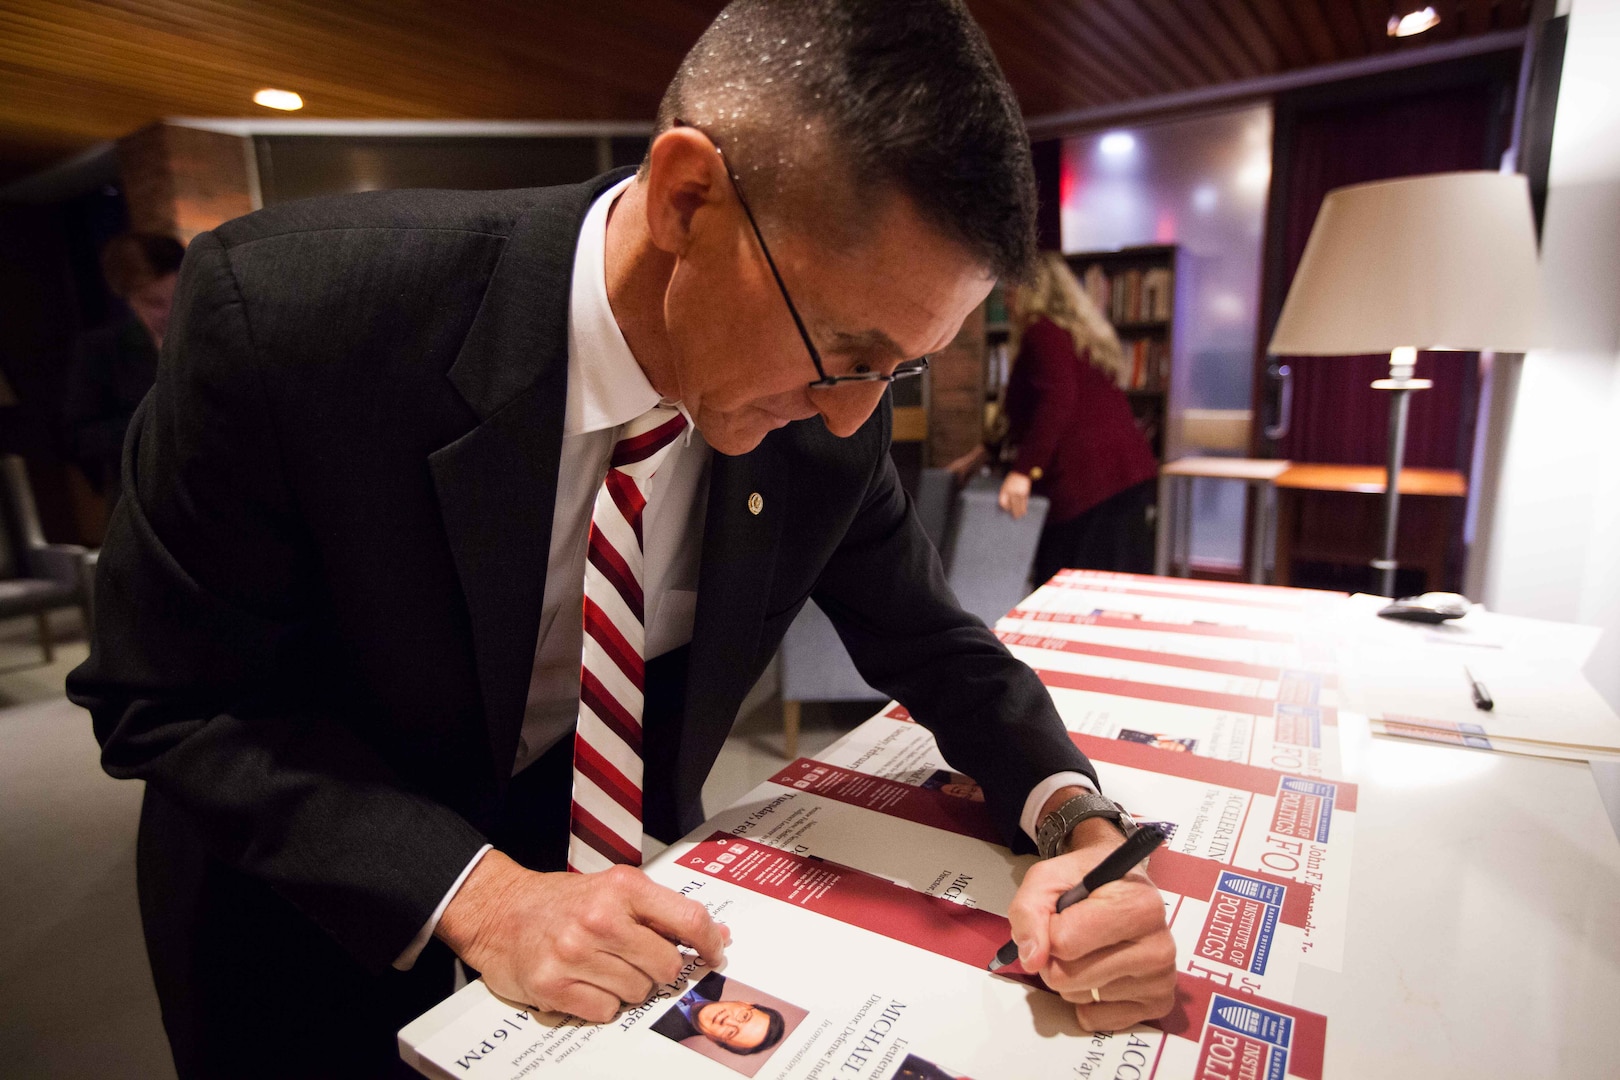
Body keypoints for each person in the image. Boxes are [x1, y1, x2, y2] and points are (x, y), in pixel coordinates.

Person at [66, 2, 1176, 1075]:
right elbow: (168, 698)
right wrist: (483, 894)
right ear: (689, 198)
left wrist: (1078, 824)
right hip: (311, 895)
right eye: (843, 348)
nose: (854, 417)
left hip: (618, 886)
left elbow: (935, 643)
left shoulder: (831, 405)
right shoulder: (297, 314)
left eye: (901, 366)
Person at [994, 253, 1160, 584]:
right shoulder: (1075, 334)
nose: (1006, 300)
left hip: (1088, 483)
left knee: (1071, 590)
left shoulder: (1042, 331)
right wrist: (982, 453)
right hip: (1121, 475)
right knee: (1113, 591)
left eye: (1010, 290)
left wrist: (1023, 472)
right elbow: (1024, 412)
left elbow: (1057, 399)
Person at [62, 232, 184, 507]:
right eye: (155, 303)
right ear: (130, 299)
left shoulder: (212, 336)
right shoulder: (101, 350)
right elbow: (79, 439)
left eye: (178, 297)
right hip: (146, 506)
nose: (171, 311)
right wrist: (159, 423)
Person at [650, 972, 787, 1055]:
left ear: (715, 1042)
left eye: (731, 1033)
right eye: (744, 1016)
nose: (728, 1021)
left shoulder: (659, 1034)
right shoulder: (715, 975)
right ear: (745, 1003)